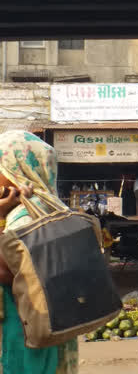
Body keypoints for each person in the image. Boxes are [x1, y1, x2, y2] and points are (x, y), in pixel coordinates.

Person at [0, 130, 78, 373]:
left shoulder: (26, 218)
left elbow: (9, 274)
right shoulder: (57, 209)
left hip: (30, 332)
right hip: (55, 329)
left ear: (18, 171)